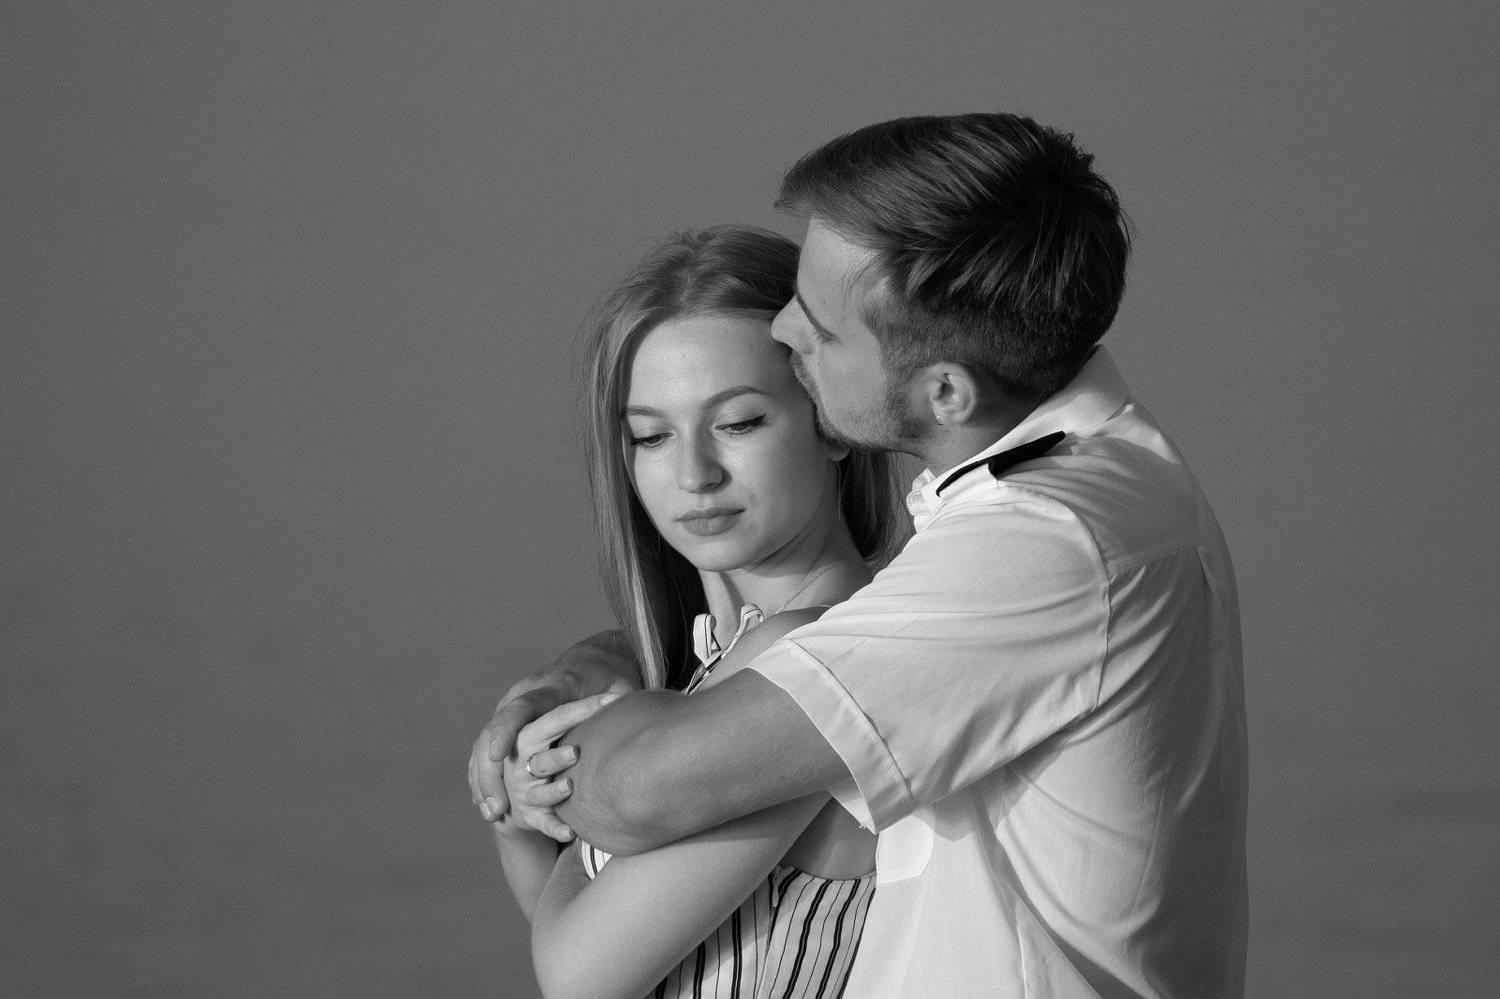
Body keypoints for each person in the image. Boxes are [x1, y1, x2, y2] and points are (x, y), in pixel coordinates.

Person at [475, 113, 1248, 997]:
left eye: (821, 333)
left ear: (944, 392)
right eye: (648, 434)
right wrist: (577, 677)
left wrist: (533, 761)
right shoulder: (1090, 490)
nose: (789, 333)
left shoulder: (1036, 546)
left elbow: (632, 804)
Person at [488, 225, 908, 998]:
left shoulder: (810, 658)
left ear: (833, 419)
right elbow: (609, 927)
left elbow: (580, 973)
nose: (693, 472)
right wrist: (521, 809)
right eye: (650, 435)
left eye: (738, 422)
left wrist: (567, 768)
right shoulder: (717, 664)